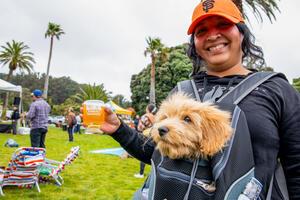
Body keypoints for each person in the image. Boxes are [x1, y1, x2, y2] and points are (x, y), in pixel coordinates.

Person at [100, 0, 300, 199]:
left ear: (241, 32)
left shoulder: (276, 90)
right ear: (195, 44)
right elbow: (158, 153)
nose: (213, 35)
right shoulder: (181, 91)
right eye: (201, 31)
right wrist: (119, 129)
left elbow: (296, 166)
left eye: (223, 24)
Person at [134, 104, 157, 178]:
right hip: (154, 137)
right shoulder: (157, 117)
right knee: (155, 156)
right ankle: (155, 175)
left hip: (145, 137)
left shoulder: (145, 117)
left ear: (148, 109)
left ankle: (141, 173)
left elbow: (139, 128)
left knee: (143, 154)